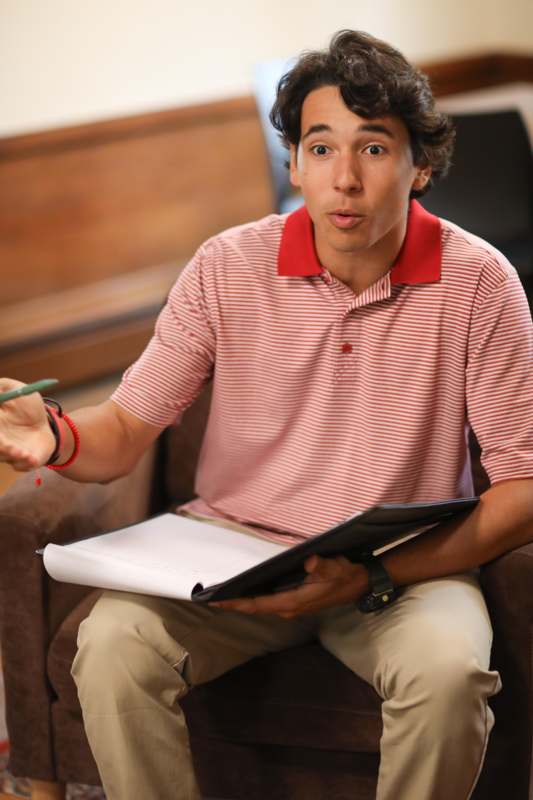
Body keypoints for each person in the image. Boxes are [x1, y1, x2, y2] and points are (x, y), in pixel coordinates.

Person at [1, 29, 532, 800]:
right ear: (293, 163)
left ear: (421, 167)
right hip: (231, 554)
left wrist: (370, 573)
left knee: (449, 676)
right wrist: (52, 431)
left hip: (400, 566)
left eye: (374, 149)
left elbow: (522, 488)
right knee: (111, 644)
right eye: (320, 148)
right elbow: (122, 434)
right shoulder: (226, 265)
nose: (343, 179)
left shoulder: (481, 282)